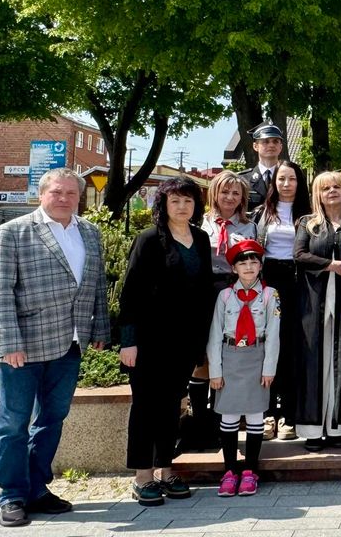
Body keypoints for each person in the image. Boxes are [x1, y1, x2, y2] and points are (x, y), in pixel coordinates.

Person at [0, 168, 109, 528]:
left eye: (71, 193)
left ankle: (37, 488)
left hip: (70, 343)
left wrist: (99, 328)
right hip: (22, 346)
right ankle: (12, 495)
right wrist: (8, 342)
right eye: (57, 192)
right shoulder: (13, 232)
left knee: (52, 419)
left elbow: (97, 285)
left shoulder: (89, 232)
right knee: (13, 424)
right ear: (41, 194)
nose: (65, 198)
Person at [118, 178, 214, 506]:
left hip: (185, 341)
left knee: (172, 406)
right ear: (164, 205)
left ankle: (165, 469)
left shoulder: (200, 239)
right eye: (175, 201)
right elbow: (129, 294)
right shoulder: (147, 240)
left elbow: (203, 291)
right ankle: (142, 475)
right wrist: (128, 341)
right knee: (146, 407)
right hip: (148, 341)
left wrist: (202, 341)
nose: (182, 206)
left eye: (188, 200)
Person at [187, 170, 257, 450]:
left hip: (235, 294)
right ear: (214, 193)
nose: (230, 197)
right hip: (204, 292)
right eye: (224, 192)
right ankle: (200, 421)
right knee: (202, 355)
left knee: (226, 354)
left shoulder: (249, 227)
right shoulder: (199, 223)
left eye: (236, 193)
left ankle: (220, 422)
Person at [207, 239, 281, 497]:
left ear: (260, 266)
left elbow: (274, 334)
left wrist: (268, 368)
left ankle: (250, 471)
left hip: (257, 358)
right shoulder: (225, 296)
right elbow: (215, 334)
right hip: (230, 358)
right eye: (242, 262)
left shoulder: (271, 295)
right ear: (234, 268)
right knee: (228, 415)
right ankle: (229, 471)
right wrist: (215, 371)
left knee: (254, 416)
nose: (249, 266)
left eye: (253, 262)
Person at [293, 171, 341, 450]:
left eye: (336, 186)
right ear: (317, 194)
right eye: (325, 188)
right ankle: (312, 430)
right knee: (312, 363)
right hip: (314, 301)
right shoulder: (308, 223)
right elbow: (299, 254)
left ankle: (338, 427)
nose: (332, 191)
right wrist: (331, 265)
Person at [254, 160, 312, 440]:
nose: (286, 184)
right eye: (281, 179)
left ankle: (289, 413)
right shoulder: (262, 213)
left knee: (291, 348)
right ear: (274, 183)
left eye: (291, 179)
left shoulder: (309, 213)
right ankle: (267, 415)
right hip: (269, 279)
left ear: (299, 183)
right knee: (268, 346)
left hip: (298, 281)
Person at [238, 121, 285, 211]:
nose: (271, 145)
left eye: (275, 141)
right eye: (265, 141)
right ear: (255, 146)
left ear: (280, 147)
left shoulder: (292, 178)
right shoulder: (242, 180)